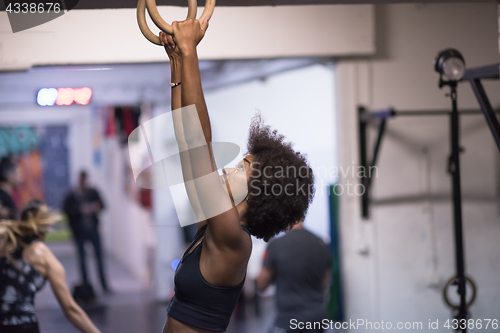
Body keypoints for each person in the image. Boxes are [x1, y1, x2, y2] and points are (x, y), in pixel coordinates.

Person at [159, 17, 315, 333]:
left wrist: (190, 52)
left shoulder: (234, 240)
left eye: (241, 168)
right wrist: (177, 62)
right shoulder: (213, 225)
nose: (228, 169)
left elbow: (198, 145)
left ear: (259, 191)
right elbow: (188, 142)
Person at [0, 200, 102, 333]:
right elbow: (71, 309)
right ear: (46, 226)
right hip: (23, 327)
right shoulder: (43, 255)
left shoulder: (6, 246)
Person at [256, 221, 332, 333]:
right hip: (317, 320)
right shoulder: (322, 244)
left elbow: (261, 284)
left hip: (288, 321)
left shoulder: (276, 245)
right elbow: (324, 282)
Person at [62, 171, 109, 293]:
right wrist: (80, 210)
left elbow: (103, 205)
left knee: (99, 257)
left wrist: (93, 207)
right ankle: (86, 286)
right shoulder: (72, 195)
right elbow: (66, 210)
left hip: (93, 230)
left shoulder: (93, 192)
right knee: (82, 259)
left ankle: (103, 284)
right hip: (79, 231)